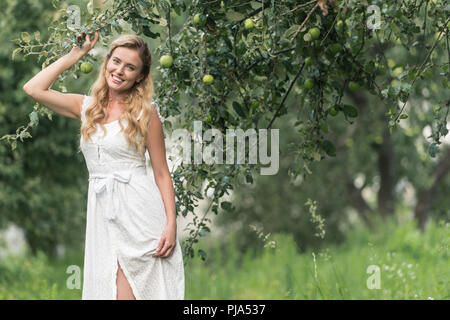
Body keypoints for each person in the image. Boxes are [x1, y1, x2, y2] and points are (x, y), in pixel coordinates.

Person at [22, 31, 185, 300]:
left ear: (140, 77)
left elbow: (161, 173)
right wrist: (77, 54)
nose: (120, 70)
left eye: (130, 67)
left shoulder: (146, 113)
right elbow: (33, 88)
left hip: (140, 214)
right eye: (116, 61)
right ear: (107, 61)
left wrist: (171, 224)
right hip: (102, 214)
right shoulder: (86, 107)